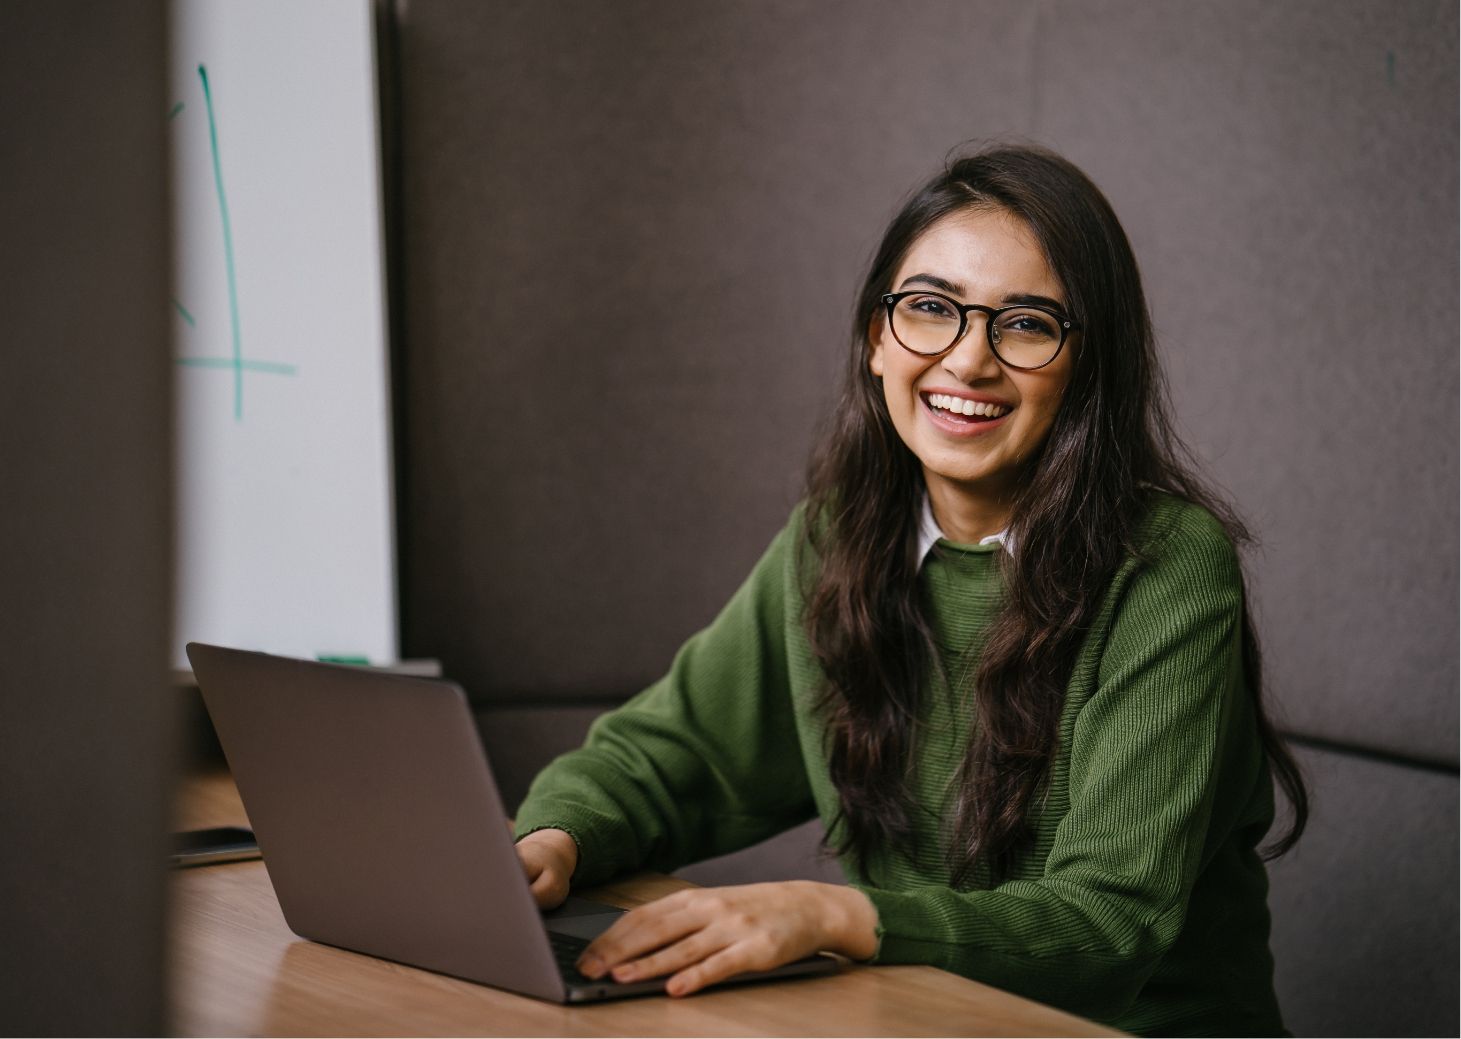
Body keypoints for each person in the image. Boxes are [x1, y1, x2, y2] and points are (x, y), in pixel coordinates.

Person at [511, 144, 1307, 1037]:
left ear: (1088, 365)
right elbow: (677, 754)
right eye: (929, 309)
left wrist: (834, 917)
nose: (967, 362)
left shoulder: (1166, 566)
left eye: (1027, 323)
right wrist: (552, 840)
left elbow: (1107, 924)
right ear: (874, 338)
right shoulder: (836, 535)